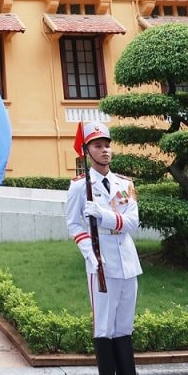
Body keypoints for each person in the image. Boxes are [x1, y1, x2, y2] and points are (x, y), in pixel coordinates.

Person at [66, 121, 141, 375]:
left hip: (128, 262)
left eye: (107, 145)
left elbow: (132, 222)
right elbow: (74, 224)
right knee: (104, 327)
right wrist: (90, 253)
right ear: (87, 151)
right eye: (98, 146)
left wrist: (104, 215)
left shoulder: (125, 184)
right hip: (101, 262)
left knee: (124, 327)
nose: (105, 150)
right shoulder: (79, 186)